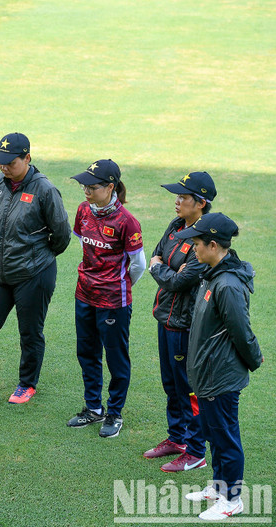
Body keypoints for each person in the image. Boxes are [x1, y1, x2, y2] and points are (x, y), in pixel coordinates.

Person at [0, 132, 71, 407]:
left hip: (34, 274)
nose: (4, 167)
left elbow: (62, 235)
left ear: (27, 158)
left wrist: (37, 257)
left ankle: (27, 384)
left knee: (30, 332)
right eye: (1, 162)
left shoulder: (45, 190)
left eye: (10, 162)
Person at [175, 213, 262, 521]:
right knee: (213, 433)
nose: (193, 249)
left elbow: (241, 331)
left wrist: (254, 359)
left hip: (220, 377)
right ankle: (218, 486)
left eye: (197, 244)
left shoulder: (226, 284)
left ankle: (232, 499)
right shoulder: (211, 274)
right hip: (207, 373)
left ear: (213, 245)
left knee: (225, 437)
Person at [66, 160, 145, 438]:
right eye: (84, 185)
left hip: (113, 301)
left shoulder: (127, 221)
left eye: (92, 186)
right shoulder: (83, 210)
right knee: (86, 353)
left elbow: (138, 265)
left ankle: (114, 412)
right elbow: (82, 244)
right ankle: (93, 408)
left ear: (111, 187)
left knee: (115, 357)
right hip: (84, 294)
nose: (86, 190)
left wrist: (117, 284)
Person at [144, 172, 216, 471]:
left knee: (189, 388)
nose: (177, 201)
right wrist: (165, 270)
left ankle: (196, 451)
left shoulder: (205, 238)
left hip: (186, 325)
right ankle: (177, 438)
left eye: (183, 197)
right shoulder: (176, 226)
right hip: (165, 318)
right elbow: (156, 255)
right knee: (171, 384)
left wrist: (162, 271)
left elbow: (179, 282)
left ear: (200, 203)